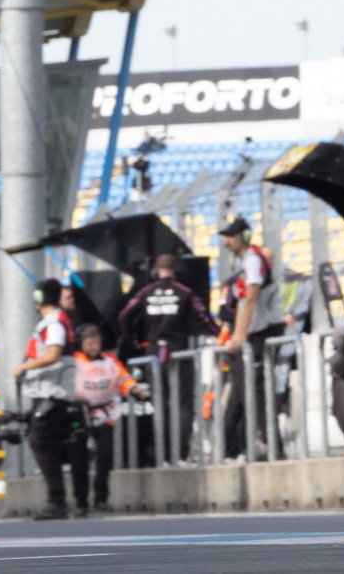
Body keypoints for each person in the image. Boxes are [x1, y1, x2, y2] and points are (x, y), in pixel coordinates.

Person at [116, 253, 217, 463]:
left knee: (160, 403)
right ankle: (179, 452)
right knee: (184, 403)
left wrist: (134, 341)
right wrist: (219, 334)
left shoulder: (146, 291)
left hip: (153, 353)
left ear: (156, 271)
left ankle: (162, 453)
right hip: (179, 351)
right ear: (177, 270)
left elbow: (124, 315)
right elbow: (205, 317)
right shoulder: (185, 292)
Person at [13, 278, 83, 519]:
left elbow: (53, 354)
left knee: (41, 441)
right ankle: (58, 499)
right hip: (47, 391)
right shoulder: (53, 321)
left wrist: (24, 367)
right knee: (44, 441)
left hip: (53, 392)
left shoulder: (54, 322)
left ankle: (57, 500)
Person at [217, 217, 282, 460]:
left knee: (255, 392)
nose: (227, 241)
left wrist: (239, 336)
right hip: (257, 332)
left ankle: (270, 446)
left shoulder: (253, 260)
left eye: (231, 235)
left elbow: (250, 299)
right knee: (246, 392)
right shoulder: (249, 260)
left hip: (261, 333)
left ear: (243, 236)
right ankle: (237, 448)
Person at [70, 325, 147, 513]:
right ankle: (81, 501)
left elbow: (123, 378)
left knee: (105, 456)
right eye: (88, 343)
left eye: (95, 343)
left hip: (105, 414)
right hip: (78, 415)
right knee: (78, 458)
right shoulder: (74, 362)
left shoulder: (110, 361)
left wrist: (134, 389)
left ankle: (101, 499)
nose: (92, 347)